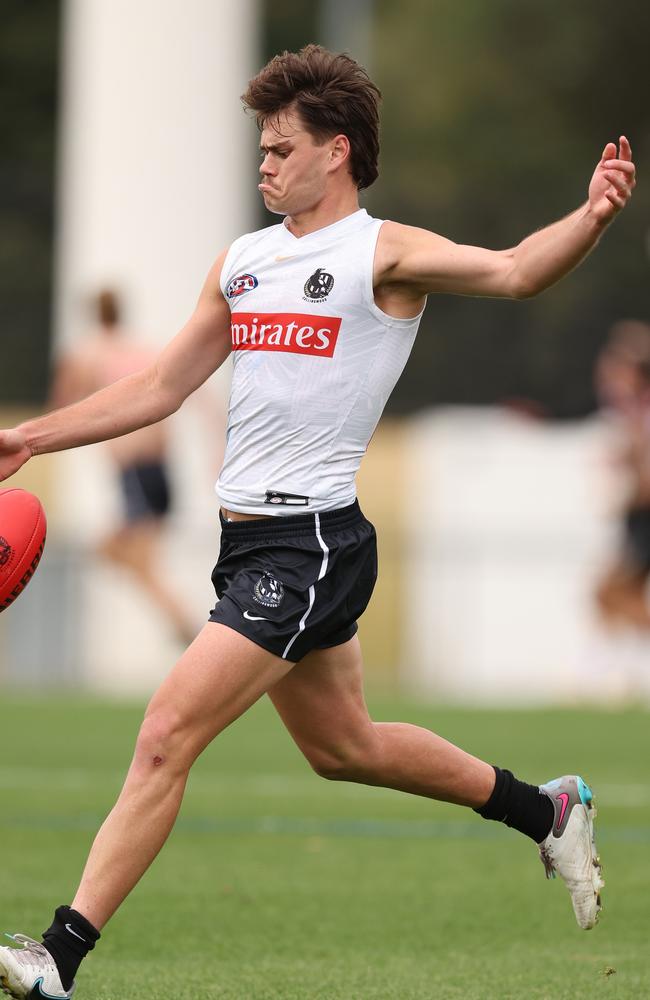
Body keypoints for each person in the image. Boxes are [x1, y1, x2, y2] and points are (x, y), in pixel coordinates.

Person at [0, 45, 635, 998]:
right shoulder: (244, 264)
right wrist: (32, 439)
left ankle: (58, 957)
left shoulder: (381, 254)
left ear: (334, 152)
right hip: (246, 544)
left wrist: (589, 217)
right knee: (347, 749)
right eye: (260, 148)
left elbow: (512, 273)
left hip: (313, 543)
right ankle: (546, 813)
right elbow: (163, 386)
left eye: (280, 148)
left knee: (166, 731)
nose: (263, 164)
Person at [49, 288, 197, 646]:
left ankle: (187, 627)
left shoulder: (88, 354)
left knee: (137, 564)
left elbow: (60, 405)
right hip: (160, 472)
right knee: (120, 555)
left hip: (136, 472)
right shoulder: (145, 351)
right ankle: (179, 621)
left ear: (93, 314)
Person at [594, 319, 650, 629]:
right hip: (638, 515)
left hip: (644, 514)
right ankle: (618, 669)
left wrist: (626, 500)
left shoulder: (638, 411)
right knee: (617, 595)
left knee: (608, 593)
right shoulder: (627, 410)